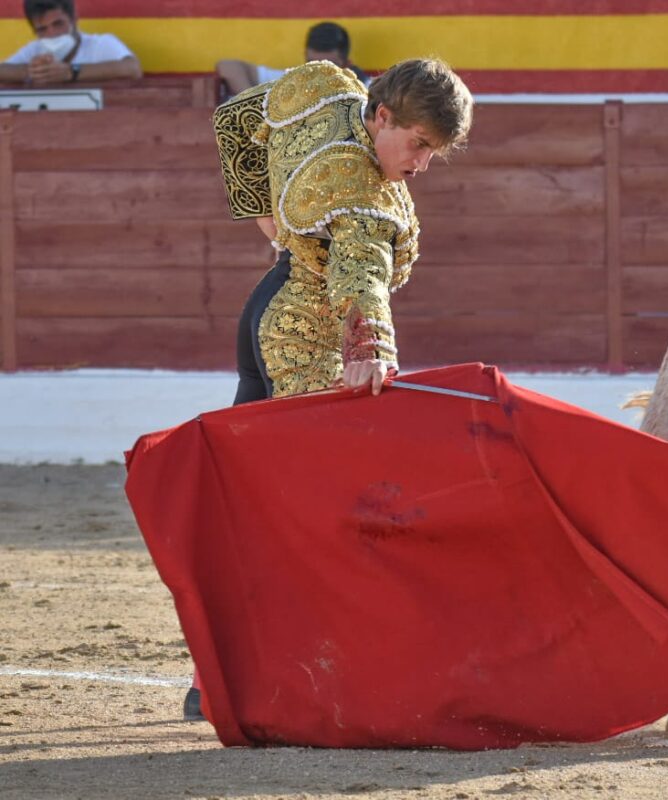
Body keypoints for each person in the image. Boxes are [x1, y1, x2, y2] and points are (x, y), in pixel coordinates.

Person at [185, 59, 472, 719]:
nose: (422, 164)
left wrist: (269, 222)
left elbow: (235, 122)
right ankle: (305, 677)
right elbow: (361, 274)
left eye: (435, 152)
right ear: (383, 117)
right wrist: (369, 345)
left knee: (250, 507)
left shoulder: (325, 89)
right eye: (420, 144)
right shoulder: (365, 188)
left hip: (266, 311)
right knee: (316, 512)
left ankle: (212, 680)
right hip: (310, 337)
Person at [0, 0, 141, 86]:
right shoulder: (34, 50)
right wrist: (34, 72)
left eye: (58, 24)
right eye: (42, 29)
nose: (52, 34)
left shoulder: (100, 44)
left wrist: (71, 72)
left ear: (74, 19)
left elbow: (133, 68)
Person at [216, 21, 370, 97]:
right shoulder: (289, 80)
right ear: (305, 59)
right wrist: (254, 103)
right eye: (312, 63)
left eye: (329, 65)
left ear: (346, 64)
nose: (319, 71)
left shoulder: (368, 90)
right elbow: (228, 66)